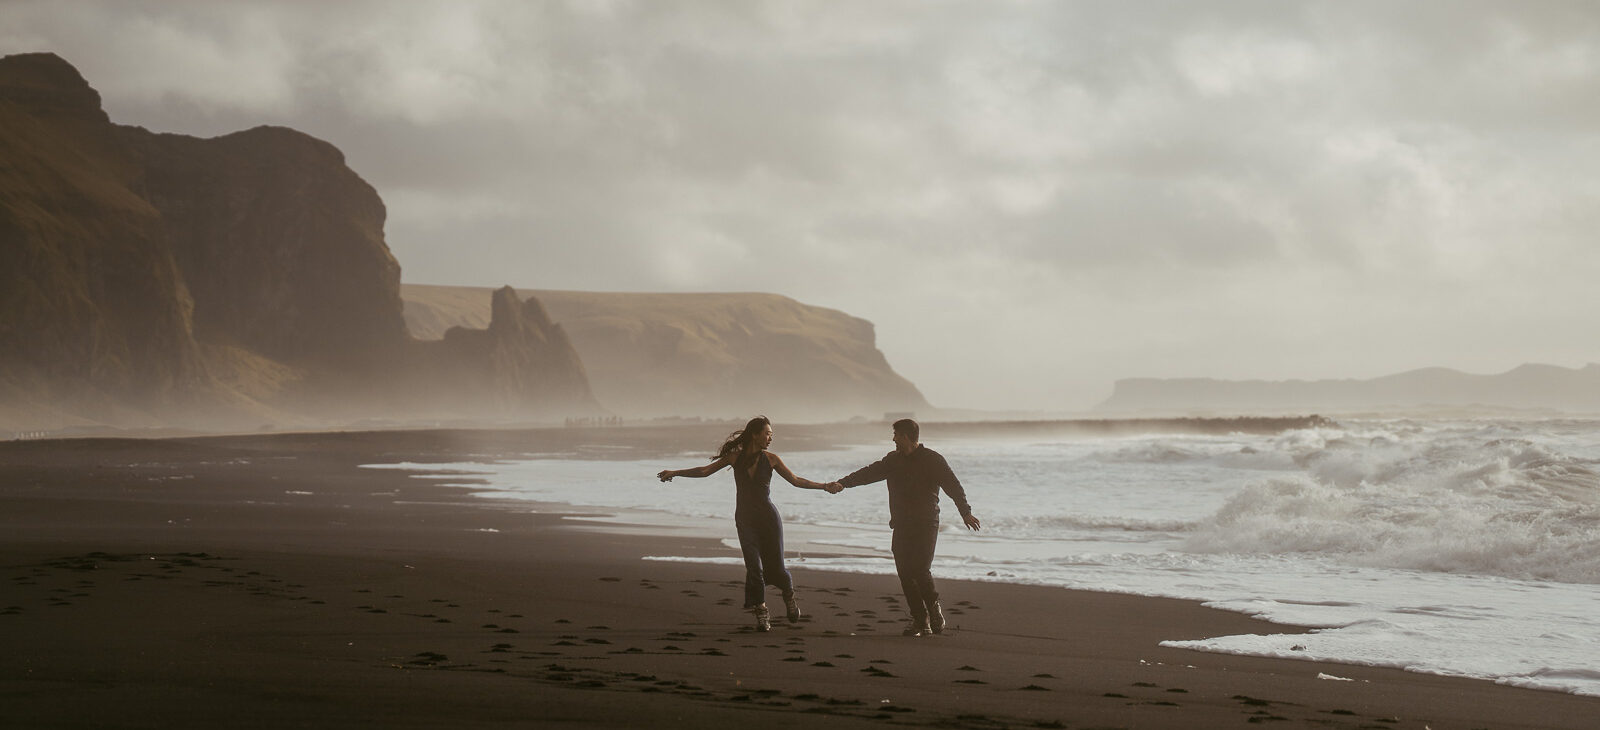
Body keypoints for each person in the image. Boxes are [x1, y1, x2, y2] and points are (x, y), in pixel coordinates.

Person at [657, 416, 841, 631]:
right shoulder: (734, 458)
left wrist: (824, 486)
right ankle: (762, 612)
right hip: (745, 519)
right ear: (755, 434)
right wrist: (676, 473)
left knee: (777, 566)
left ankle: (788, 595)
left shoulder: (772, 459)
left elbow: (796, 480)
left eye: (771, 434)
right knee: (754, 567)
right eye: (767, 434)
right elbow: (704, 471)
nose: (770, 438)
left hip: (769, 519)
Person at [828, 418, 980, 636]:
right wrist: (843, 483)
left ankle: (933, 607)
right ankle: (920, 620)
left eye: (896, 435)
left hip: (927, 523)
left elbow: (953, 485)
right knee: (904, 573)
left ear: (907, 437)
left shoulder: (932, 460)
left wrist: (965, 512)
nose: (893, 440)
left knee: (920, 569)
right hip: (901, 524)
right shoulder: (893, 460)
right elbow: (869, 473)